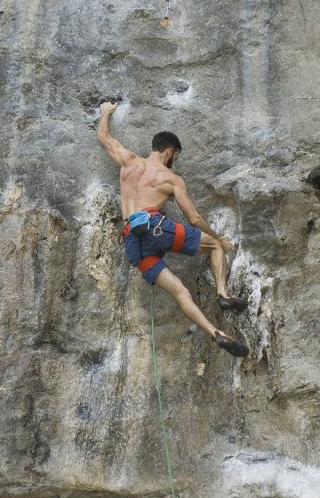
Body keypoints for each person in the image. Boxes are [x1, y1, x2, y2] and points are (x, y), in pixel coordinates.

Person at [97, 101, 249, 357]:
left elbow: (103, 136)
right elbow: (195, 219)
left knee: (180, 291)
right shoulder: (170, 179)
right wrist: (217, 239)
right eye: (175, 158)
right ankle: (223, 294)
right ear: (169, 152)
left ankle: (216, 334)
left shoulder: (128, 162)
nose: (174, 163)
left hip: (132, 242)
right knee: (213, 247)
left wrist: (105, 113)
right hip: (157, 228)